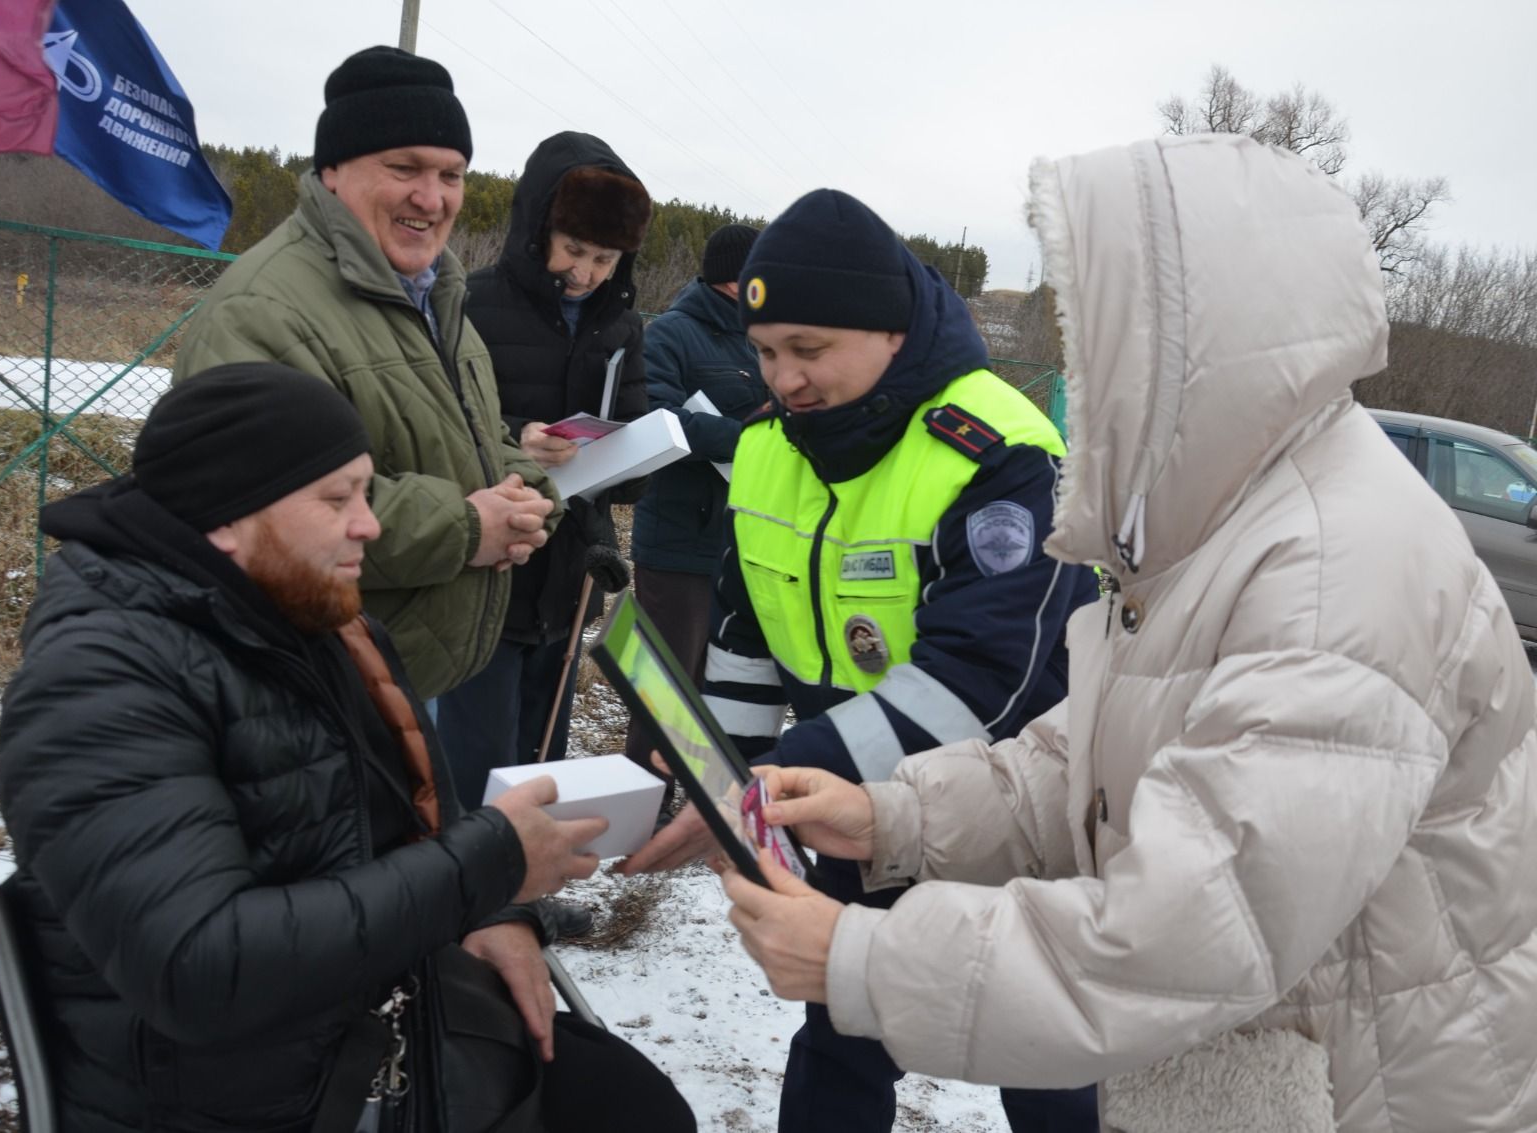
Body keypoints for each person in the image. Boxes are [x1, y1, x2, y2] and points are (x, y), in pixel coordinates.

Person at [722, 135, 1537, 1133]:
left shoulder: (1335, 573)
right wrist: (896, 818)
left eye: (1099, 322)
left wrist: (864, 959)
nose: (1081, 355)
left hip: (1373, 1089)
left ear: (1207, 331)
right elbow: (1086, 755)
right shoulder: (1220, 515)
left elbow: (1191, 932)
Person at [0, 364, 695, 1133]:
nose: (370, 525)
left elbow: (419, 817)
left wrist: (499, 908)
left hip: (370, 1013)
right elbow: (199, 970)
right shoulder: (99, 681)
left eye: (367, 493)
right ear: (224, 515)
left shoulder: (306, 610)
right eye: (337, 499)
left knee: (637, 1105)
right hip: (243, 1091)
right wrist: (485, 866)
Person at [625, 189, 1099, 1133]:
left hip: (1009, 806)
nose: (784, 379)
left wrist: (772, 777)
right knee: (843, 1027)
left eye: (808, 350)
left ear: (889, 334)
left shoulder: (1000, 449)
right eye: (765, 352)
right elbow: (747, 631)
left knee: (1040, 1051)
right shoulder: (766, 447)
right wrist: (725, 774)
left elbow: (980, 681)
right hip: (842, 795)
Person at [174, 46, 561, 706]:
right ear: (332, 170)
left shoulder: (434, 294)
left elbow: (475, 433)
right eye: (404, 168)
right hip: (300, 679)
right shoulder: (265, 309)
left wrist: (525, 491)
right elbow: (269, 510)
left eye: (452, 173)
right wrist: (468, 529)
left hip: (399, 665)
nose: (432, 198)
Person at [446, 132, 652, 811]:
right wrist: (518, 441)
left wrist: (629, 457)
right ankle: (467, 897)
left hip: (566, 571)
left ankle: (524, 896)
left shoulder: (620, 329)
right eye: (574, 250)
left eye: (603, 258)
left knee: (541, 749)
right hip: (486, 570)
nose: (586, 273)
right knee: (477, 750)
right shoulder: (470, 305)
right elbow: (438, 428)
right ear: (538, 232)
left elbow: (628, 453)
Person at [624, 223, 767, 816]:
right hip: (681, 539)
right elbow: (652, 417)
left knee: (729, 680)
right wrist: (751, 437)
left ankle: (712, 806)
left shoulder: (764, 339)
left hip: (747, 539)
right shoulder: (673, 334)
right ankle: (648, 802)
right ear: (736, 276)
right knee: (666, 681)